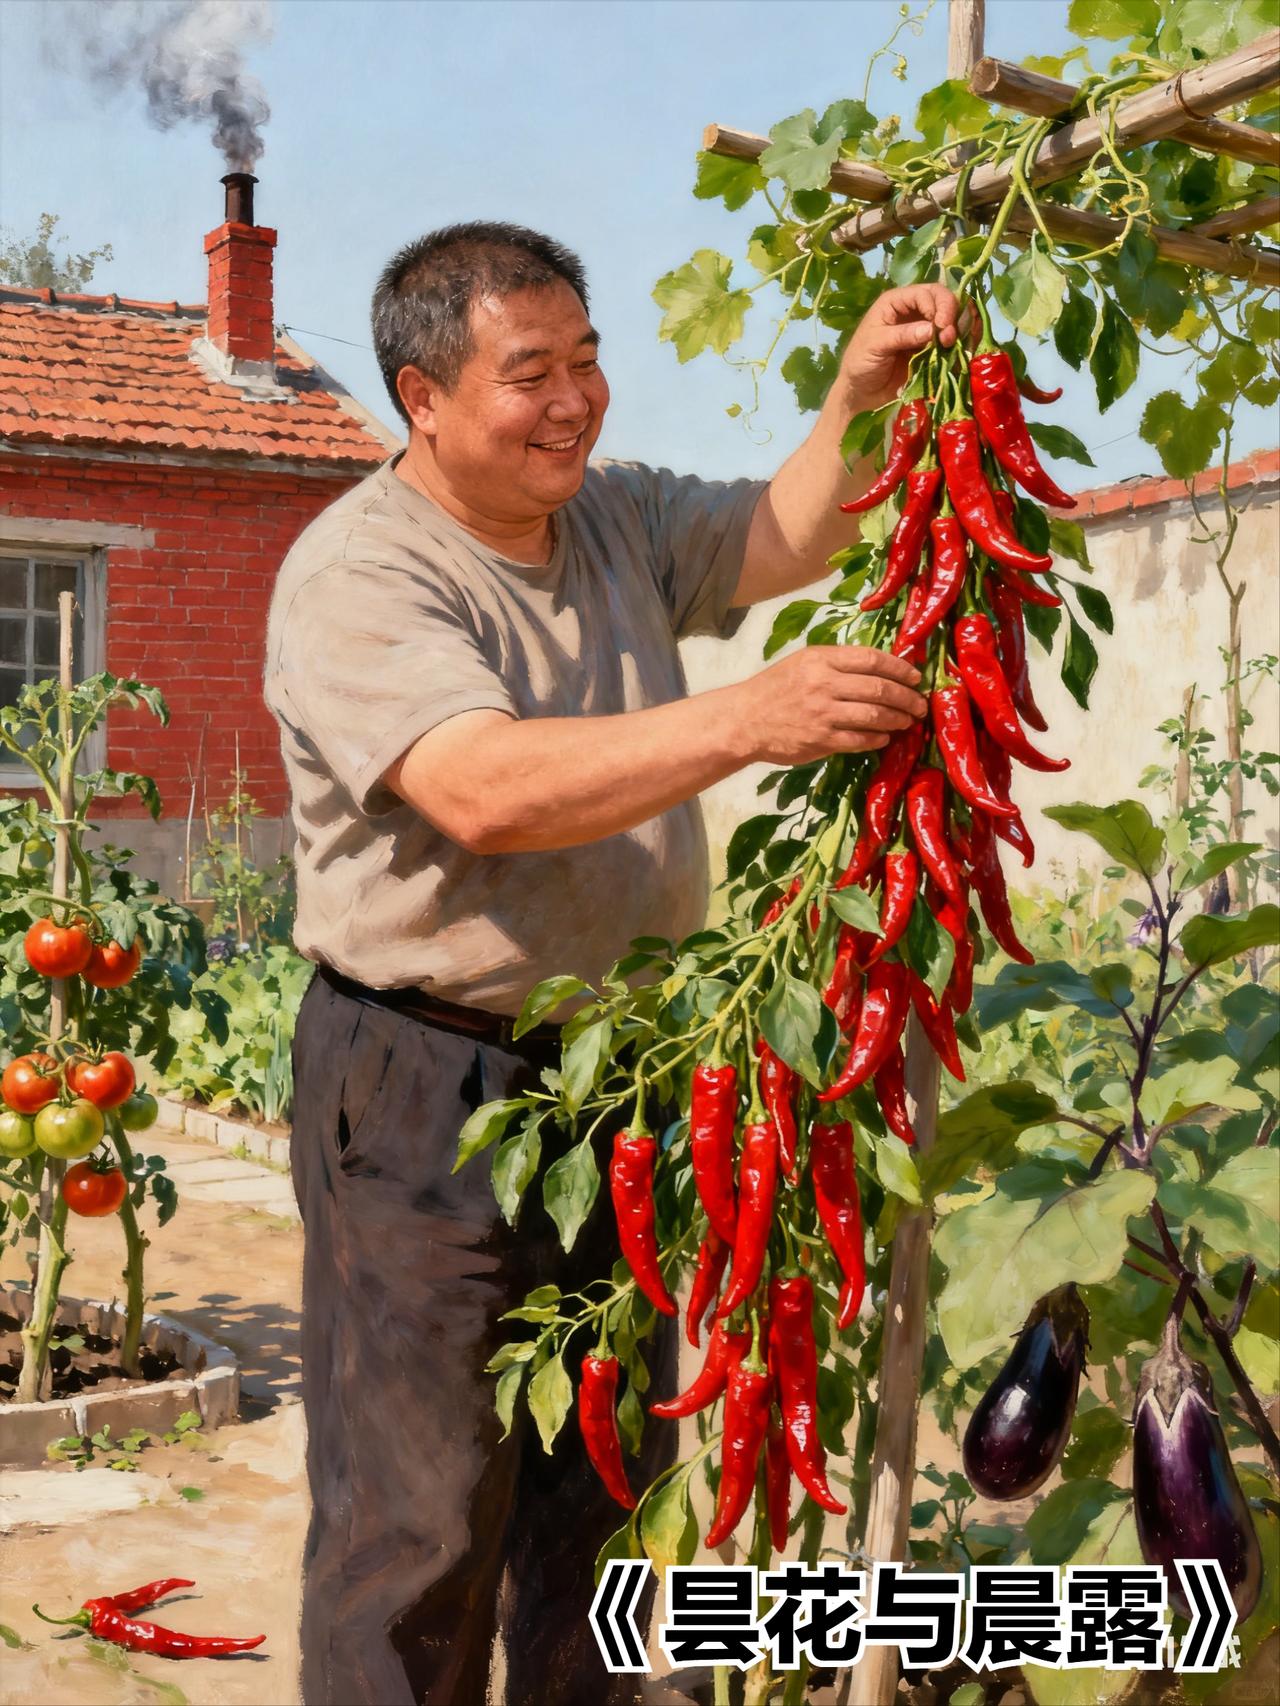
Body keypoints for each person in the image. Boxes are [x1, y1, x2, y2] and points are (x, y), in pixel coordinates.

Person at [264, 220, 961, 1706]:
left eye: (588, 361)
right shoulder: (358, 574)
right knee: (422, 1516)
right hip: (419, 1079)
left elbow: (784, 533)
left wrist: (852, 404)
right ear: (423, 397)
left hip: (619, 1076)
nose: (577, 399)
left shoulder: (614, 515)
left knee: (603, 1493)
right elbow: (481, 788)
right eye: (532, 373)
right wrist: (746, 718)